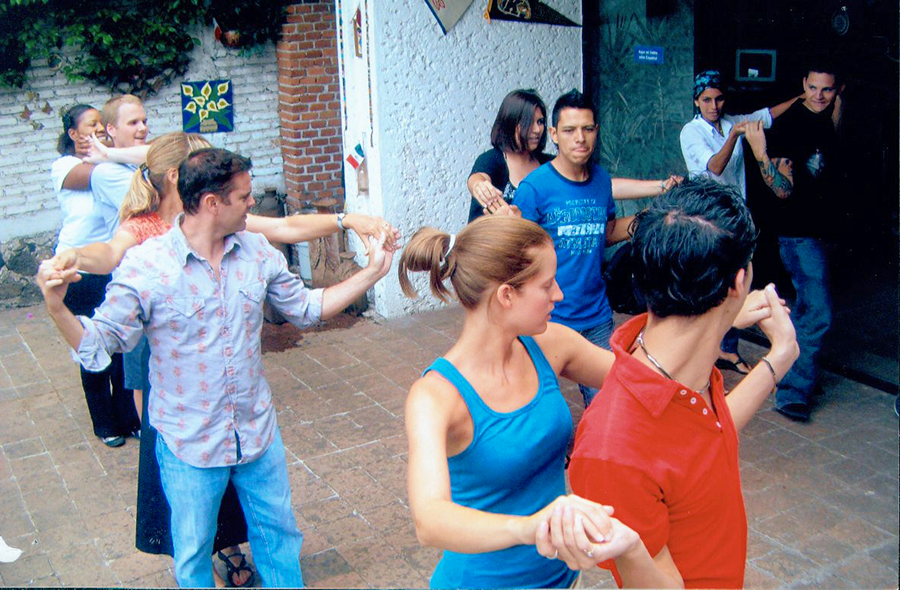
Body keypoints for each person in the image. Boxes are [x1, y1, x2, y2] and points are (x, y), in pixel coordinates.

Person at [43, 133, 401, 586]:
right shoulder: (147, 266)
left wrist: (373, 272)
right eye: (245, 197)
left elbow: (306, 309)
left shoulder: (256, 252)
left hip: (256, 433)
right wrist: (57, 308)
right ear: (212, 203)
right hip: (188, 442)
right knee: (193, 553)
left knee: (279, 537)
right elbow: (97, 348)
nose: (252, 204)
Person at [554, 180, 798, 588]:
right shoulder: (612, 448)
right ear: (738, 282)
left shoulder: (685, 366)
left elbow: (710, 435)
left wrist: (778, 355)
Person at [399, 215, 643, 589]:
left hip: (563, 580)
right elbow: (429, 521)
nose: (559, 294)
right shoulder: (434, 398)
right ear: (506, 295)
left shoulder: (550, 345)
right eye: (546, 285)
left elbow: (643, 383)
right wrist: (531, 527)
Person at [513, 89, 679, 406]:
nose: (580, 138)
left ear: (596, 131)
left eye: (587, 129)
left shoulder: (601, 180)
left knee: (606, 404)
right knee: (540, 407)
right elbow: (518, 255)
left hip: (595, 315)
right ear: (554, 135)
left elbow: (606, 232)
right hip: (548, 317)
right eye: (569, 130)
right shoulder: (534, 188)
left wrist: (650, 219)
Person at [743, 60, 845, 422]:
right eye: (813, 88)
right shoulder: (790, 125)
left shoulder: (827, 118)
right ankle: (791, 391)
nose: (819, 96)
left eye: (827, 89)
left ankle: (796, 375)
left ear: (837, 90)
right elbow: (782, 190)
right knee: (817, 312)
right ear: (803, 83)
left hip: (822, 232)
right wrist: (760, 154)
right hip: (798, 235)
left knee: (807, 310)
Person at [679, 70, 797, 375]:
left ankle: (726, 350)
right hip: (708, 216)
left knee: (735, 284)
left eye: (719, 99)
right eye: (707, 100)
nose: (714, 106)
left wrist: (802, 98)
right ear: (696, 101)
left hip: (734, 216)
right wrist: (734, 136)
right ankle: (700, 351)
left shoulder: (731, 121)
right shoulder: (691, 132)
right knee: (710, 284)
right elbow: (716, 166)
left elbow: (767, 115)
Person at [51, 104, 140, 447]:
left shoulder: (113, 162)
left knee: (122, 344)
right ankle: (104, 422)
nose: (100, 130)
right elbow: (98, 174)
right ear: (73, 134)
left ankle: (129, 416)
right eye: (91, 126)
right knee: (90, 344)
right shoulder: (66, 167)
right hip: (80, 268)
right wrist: (115, 151)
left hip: (113, 264)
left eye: (103, 125)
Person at [466, 89, 553, 222]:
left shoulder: (549, 164)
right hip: (490, 234)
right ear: (510, 123)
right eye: (528, 122)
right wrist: (480, 188)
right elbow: (477, 179)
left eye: (540, 122)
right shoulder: (493, 159)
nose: (537, 130)